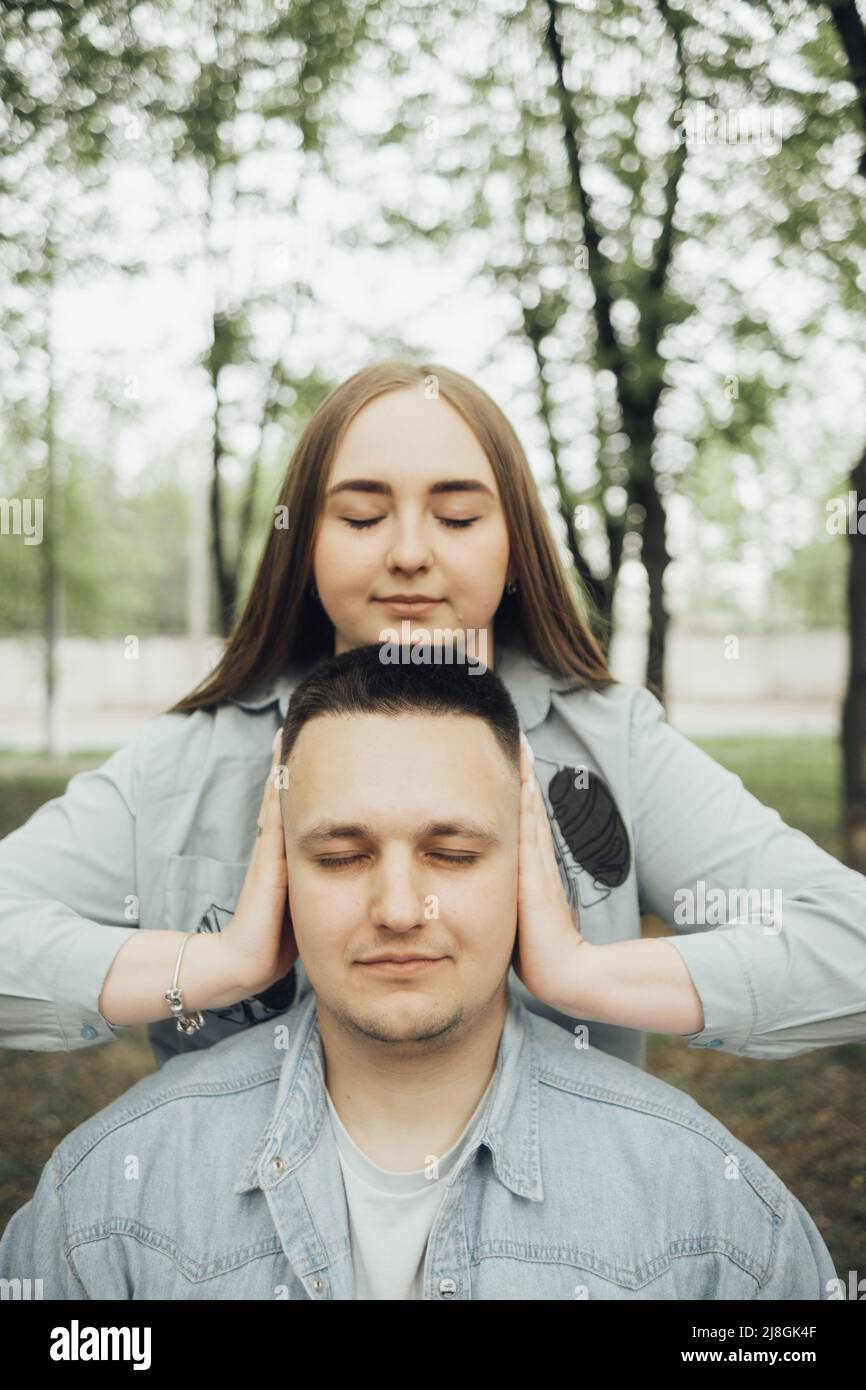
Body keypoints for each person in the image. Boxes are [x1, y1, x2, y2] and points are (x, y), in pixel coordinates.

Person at [0, 361, 864, 1073]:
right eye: (363, 515)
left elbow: (845, 945)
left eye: (456, 516)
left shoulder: (613, 744)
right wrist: (215, 968)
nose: (409, 553)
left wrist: (580, 974)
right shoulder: (186, 759)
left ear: (513, 544)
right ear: (304, 545)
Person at [0, 648, 838, 1300]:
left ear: (527, 868)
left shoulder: (711, 1210)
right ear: (278, 873)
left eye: (453, 853)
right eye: (340, 855)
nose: (401, 908)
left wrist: (578, 970)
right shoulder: (106, 1201)